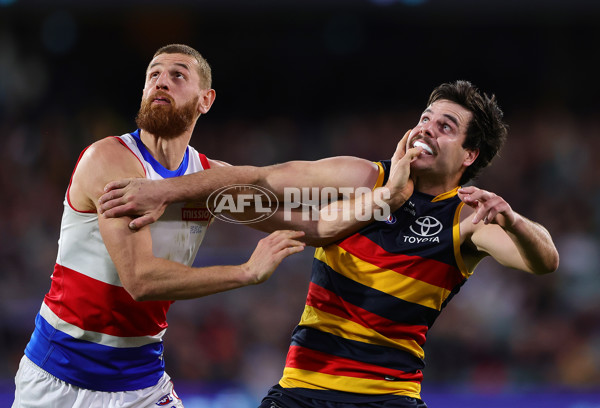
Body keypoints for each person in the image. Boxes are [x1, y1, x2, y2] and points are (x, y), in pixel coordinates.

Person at [98, 80, 559, 407]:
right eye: (425, 118)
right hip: (303, 389)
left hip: (389, 396)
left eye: (445, 127)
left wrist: (515, 221)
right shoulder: (363, 177)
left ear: (469, 155)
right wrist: (165, 188)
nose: (426, 130)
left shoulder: (470, 219)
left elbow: (544, 261)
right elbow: (264, 180)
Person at [12, 44, 308, 408]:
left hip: (142, 382)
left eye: (177, 75)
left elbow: (308, 221)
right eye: (153, 75)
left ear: (206, 100)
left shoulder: (210, 181)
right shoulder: (109, 159)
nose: (161, 83)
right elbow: (140, 280)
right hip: (59, 380)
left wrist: (381, 198)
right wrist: (245, 272)